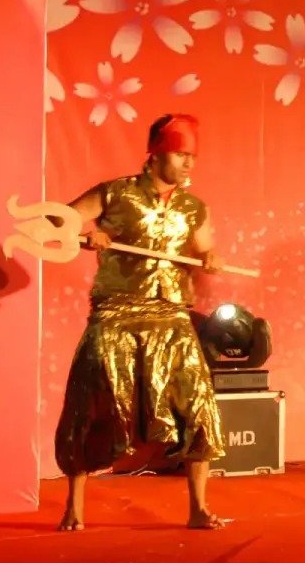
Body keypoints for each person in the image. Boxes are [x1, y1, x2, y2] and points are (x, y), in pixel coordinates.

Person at [54, 113, 227, 531]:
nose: (189, 163)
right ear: (156, 154)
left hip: (170, 316)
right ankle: (74, 507)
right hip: (117, 313)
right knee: (91, 403)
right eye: (181, 154)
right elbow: (59, 221)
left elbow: (205, 248)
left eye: (192, 156)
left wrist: (211, 257)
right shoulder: (115, 194)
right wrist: (86, 235)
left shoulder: (193, 207)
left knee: (197, 404)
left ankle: (198, 507)